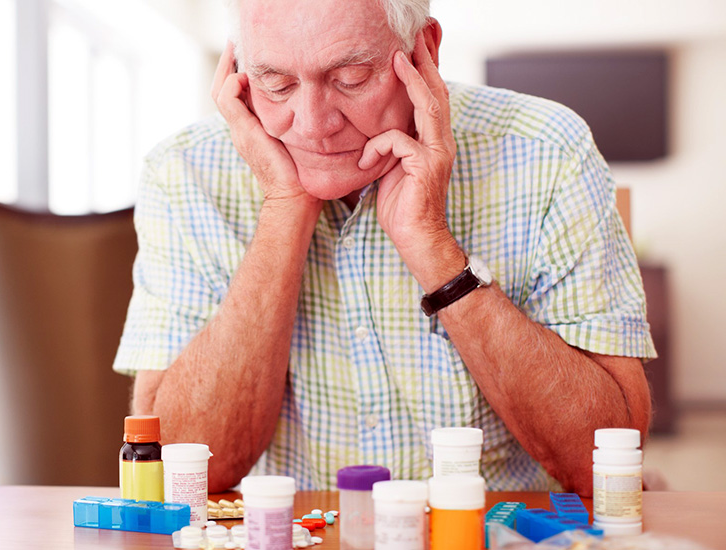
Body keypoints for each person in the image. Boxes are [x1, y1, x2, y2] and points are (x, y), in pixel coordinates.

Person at [113, 0, 655, 495]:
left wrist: (432, 245)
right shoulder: (181, 171)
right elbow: (175, 472)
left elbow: (603, 461)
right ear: (237, 74)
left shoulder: (547, 149)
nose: (314, 124)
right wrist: (285, 206)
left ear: (425, 52)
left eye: (350, 78)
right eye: (275, 83)